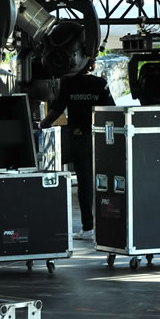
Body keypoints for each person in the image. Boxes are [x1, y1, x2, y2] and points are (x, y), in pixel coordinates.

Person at [40, 61, 115, 241]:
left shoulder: (68, 83)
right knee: (106, 181)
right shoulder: (100, 84)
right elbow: (112, 111)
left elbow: (57, 109)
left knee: (85, 182)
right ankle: (110, 225)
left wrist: (42, 125)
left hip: (79, 139)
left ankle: (88, 227)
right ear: (92, 65)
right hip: (100, 139)